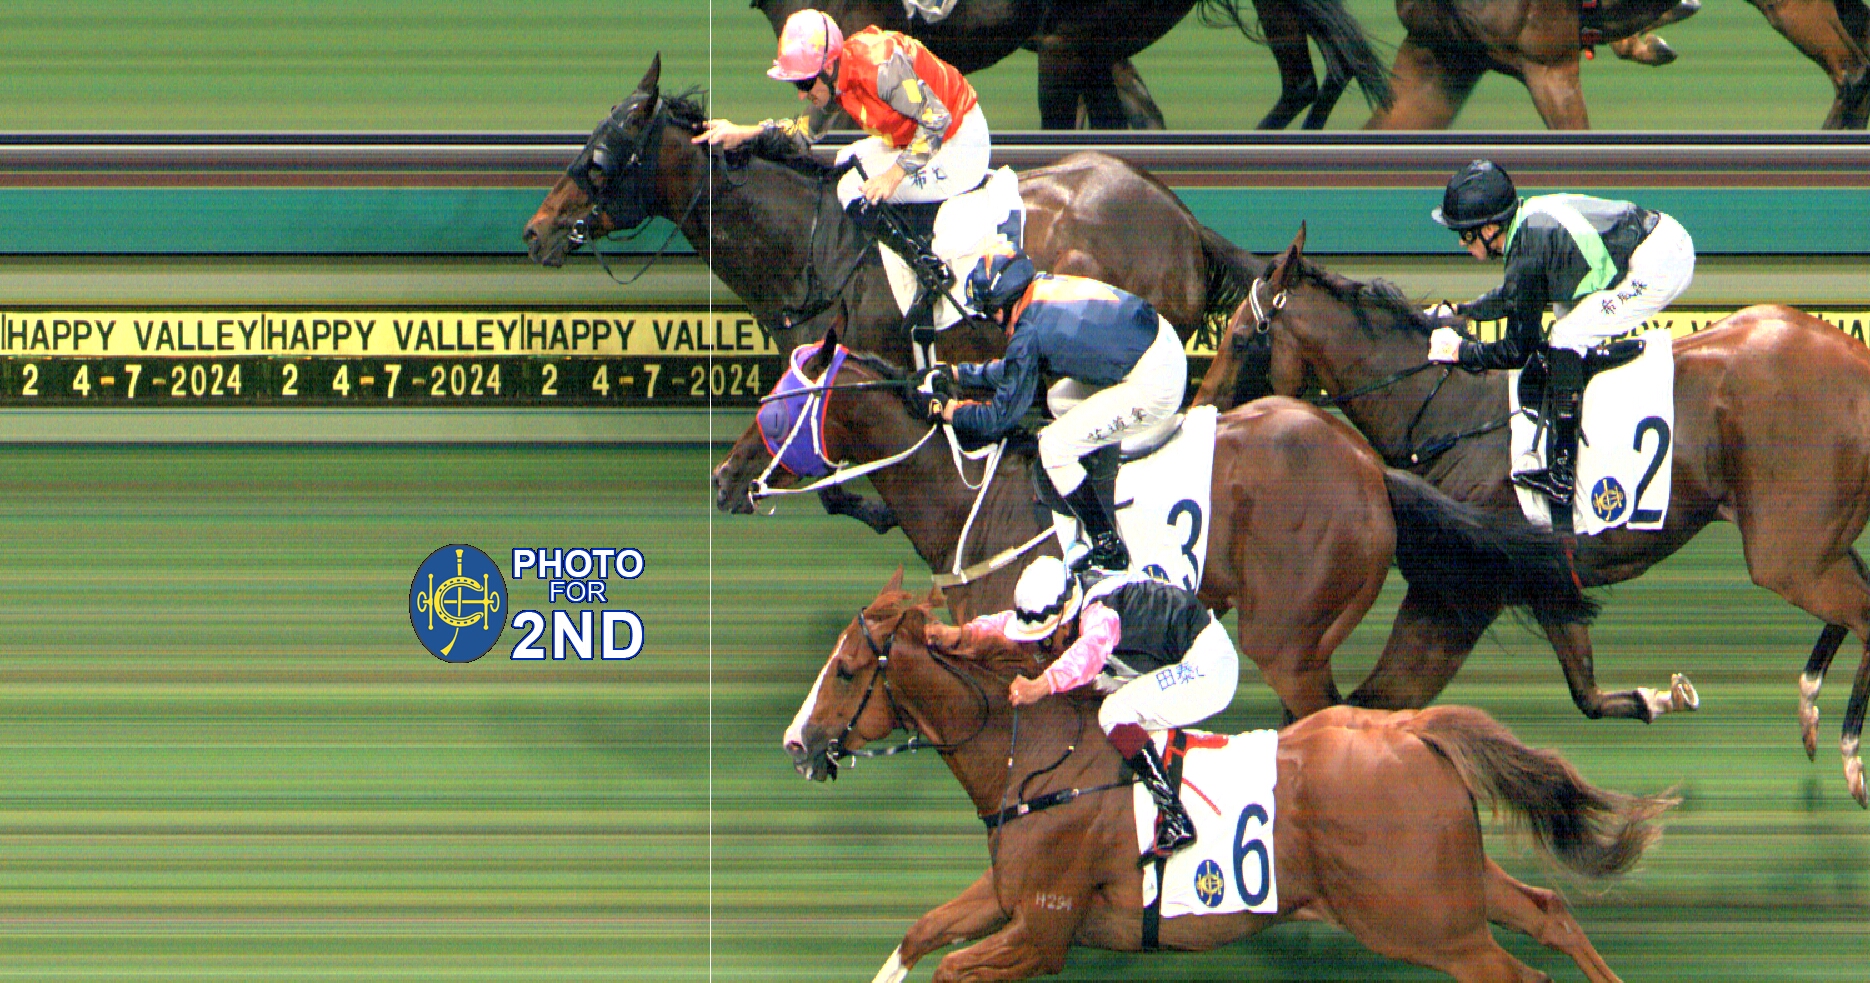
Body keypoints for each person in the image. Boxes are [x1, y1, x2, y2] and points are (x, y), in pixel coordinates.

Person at [924, 556, 1239, 864]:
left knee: (1113, 712)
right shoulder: (1069, 599)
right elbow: (1008, 623)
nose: (1042, 647)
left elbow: (1088, 655)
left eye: (1046, 640)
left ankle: (1176, 817)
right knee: (1094, 696)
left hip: (1207, 666)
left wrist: (1040, 686)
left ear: (1064, 621)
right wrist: (960, 634)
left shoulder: (1101, 615)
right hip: (1170, 657)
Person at [1424, 159, 1695, 505]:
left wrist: (1461, 352)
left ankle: (1563, 472)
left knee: (1566, 335)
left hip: (1660, 262)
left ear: (1490, 229)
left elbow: (1517, 350)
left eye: (1465, 234)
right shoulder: (1525, 227)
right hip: (1652, 242)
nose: (1463, 243)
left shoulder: (1528, 248)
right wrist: (1462, 310)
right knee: (1565, 322)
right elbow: (1514, 294)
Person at [917, 239, 1186, 572]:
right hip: (1158, 345)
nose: (990, 320)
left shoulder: (1028, 331)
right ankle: (1094, 476)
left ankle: (1107, 545)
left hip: (1156, 380)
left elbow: (998, 417)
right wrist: (959, 373)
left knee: (1054, 448)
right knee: (1058, 399)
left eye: (988, 312)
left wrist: (949, 411)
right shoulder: (1038, 291)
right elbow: (1016, 368)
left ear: (1000, 308)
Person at [691, 8, 990, 297]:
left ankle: (929, 272)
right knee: (845, 163)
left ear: (827, 68)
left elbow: (937, 121)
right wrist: (742, 133)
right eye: (796, 84)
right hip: (922, 137)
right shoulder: (836, 76)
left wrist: (893, 176)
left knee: (854, 189)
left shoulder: (880, 69)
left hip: (960, 143)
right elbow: (800, 135)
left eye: (804, 83)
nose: (801, 94)